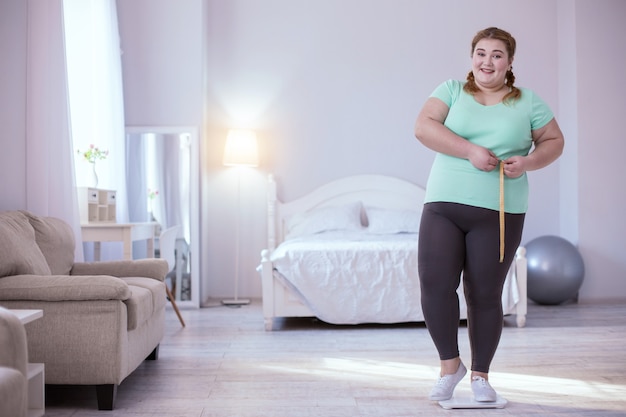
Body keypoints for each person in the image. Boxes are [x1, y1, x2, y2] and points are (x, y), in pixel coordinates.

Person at [414, 27, 564, 402]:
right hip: (444, 205)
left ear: (510, 62)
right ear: (472, 58)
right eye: (481, 53)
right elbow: (423, 127)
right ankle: (450, 367)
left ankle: (480, 376)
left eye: (497, 55)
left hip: (499, 210)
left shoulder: (528, 101)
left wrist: (527, 162)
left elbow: (554, 141)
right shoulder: (450, 90)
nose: (487, 61)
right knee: (435, 286)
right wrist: (469, 151)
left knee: (484, 293)